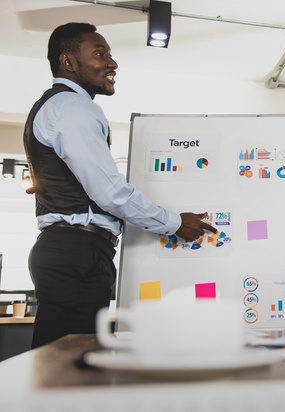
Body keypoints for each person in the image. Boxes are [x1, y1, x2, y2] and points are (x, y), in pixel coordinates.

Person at [23, 23, 217, 348]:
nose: (112, 63)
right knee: (71, 368)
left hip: (70, 251)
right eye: (100, 54)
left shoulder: (56, 106)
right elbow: (110, 192)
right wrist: (174, 223)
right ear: (69, 62)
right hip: (77, 252)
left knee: (59, 366)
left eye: (110, 55)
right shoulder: (74, 108)